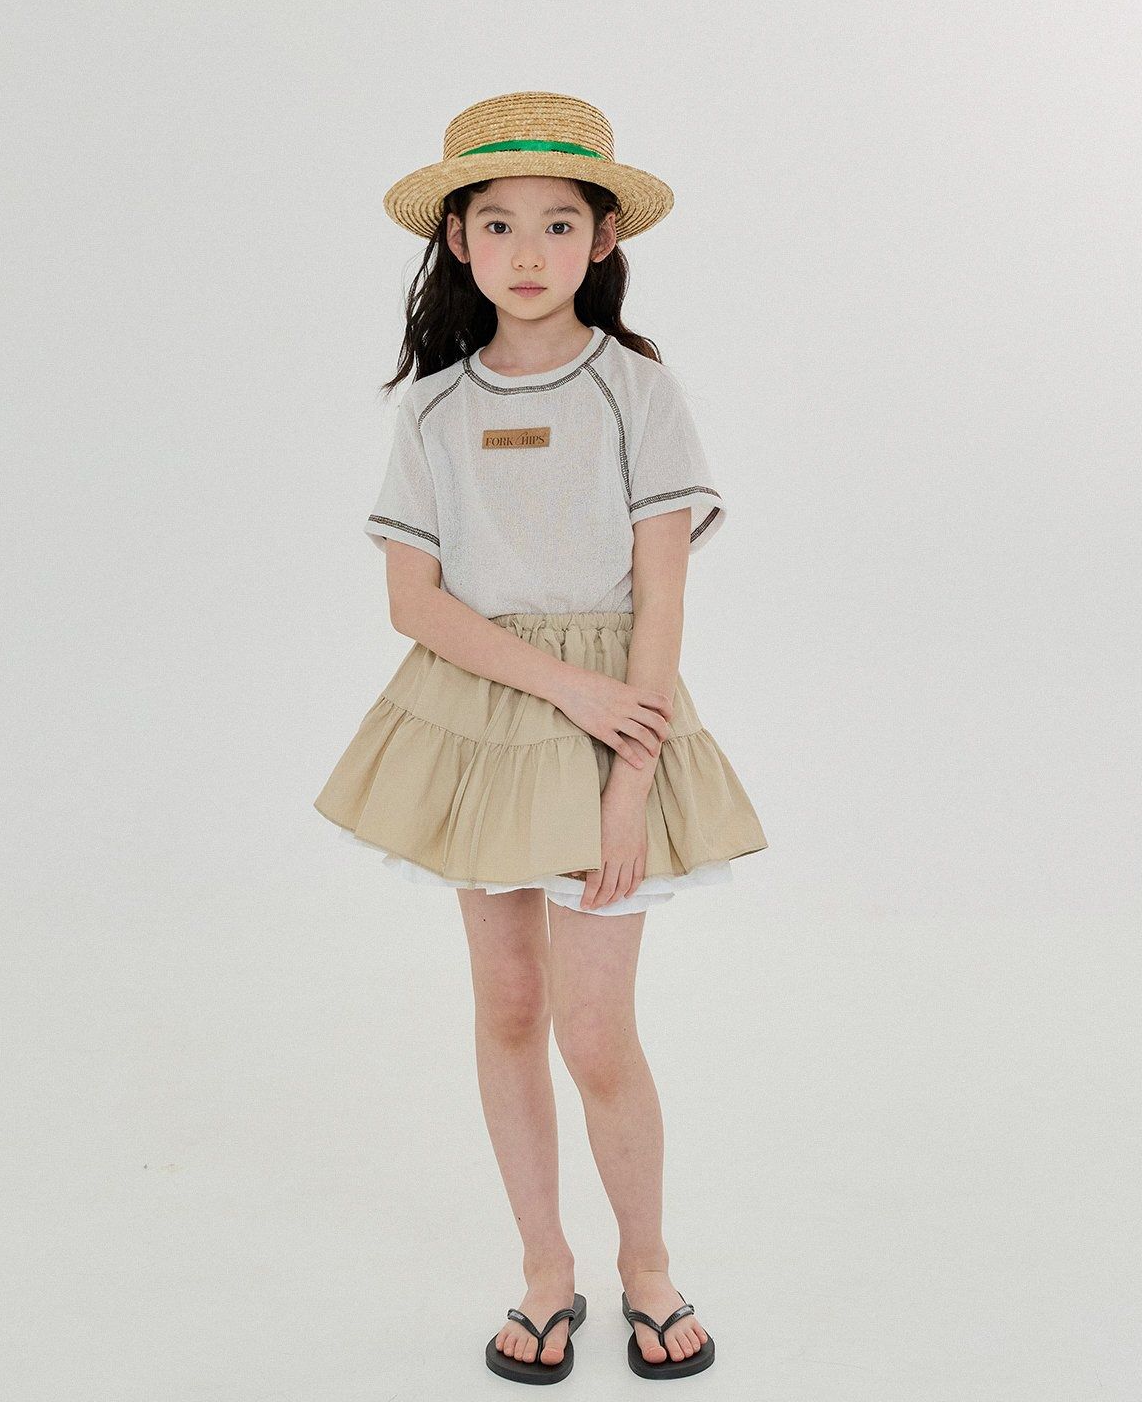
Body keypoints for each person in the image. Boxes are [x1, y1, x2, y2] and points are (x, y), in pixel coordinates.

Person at [314, 90, 768, 1383]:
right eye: (498, 223)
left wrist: (628, 783)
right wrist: (561, 689)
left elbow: (661, 596)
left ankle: (649, 1270)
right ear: (457, 241)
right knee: (507, 1007)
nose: (528, 251)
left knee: (596, 1027)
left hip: (619, 719)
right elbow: (414, 602)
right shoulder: (432, 410)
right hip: (480, 715)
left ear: (603, 239)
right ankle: (543, 1272)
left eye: (559, 223)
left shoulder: (638, 390)